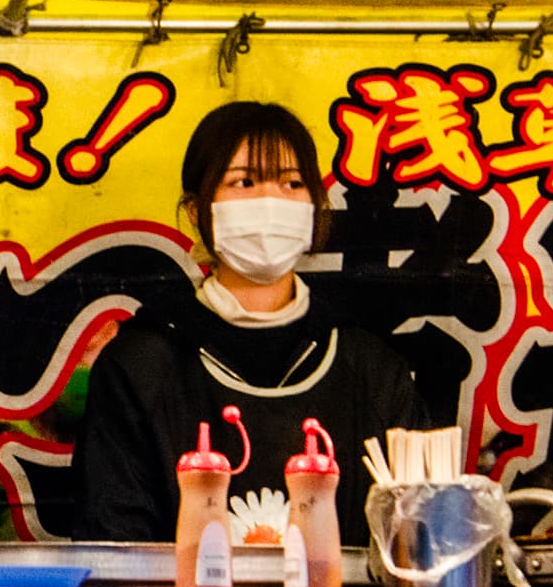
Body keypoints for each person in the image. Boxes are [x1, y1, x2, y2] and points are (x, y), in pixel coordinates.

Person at [73, 100, 430, 549]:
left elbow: (416, 541)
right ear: (195, 211)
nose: (270, 201)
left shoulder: (372, 369)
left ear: (316, 209)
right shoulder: (140, 366)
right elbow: (113, 543)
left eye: (292, 183)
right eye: (244, 181)